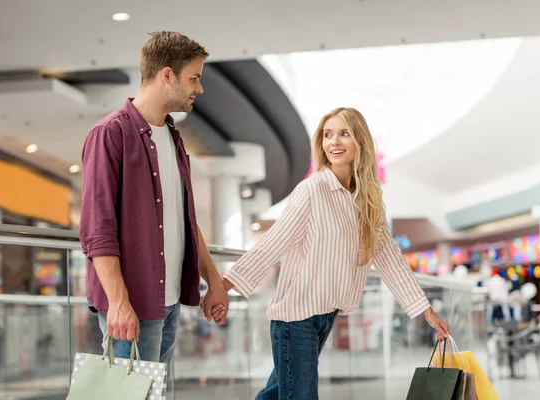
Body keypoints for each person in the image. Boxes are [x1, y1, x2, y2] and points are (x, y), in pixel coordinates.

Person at [215, 107, 451, 399]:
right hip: (295, 318)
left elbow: (390, 259)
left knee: (275, 394)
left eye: (343, 134)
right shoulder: (312, 190)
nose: (334, 142)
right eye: (328, 135)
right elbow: (273, 241)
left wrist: (425, 311)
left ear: (359, 142)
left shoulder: (367, 200)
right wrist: (224, 285)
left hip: (325, 315)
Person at [79, 31, 229, 396]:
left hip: (170, 301)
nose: (200, 88)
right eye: (193, 78)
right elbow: (97, 231)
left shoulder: (173, 139)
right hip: (132, 304)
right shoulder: (110, 134)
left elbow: (186, 223)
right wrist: (118, 302)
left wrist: (214, 280)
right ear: (167, 75)